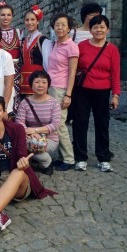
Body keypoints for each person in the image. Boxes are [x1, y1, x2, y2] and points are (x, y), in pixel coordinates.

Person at [0, 95, 56, 235]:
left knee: (19, 172)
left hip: (15, 181)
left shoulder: (16, 129)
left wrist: (23, 162)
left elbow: (21, 155)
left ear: (4, 112)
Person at [73, 15, 120, 173]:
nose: (99, 30)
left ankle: (103, 158)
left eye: (102, 27)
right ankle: (80, 158)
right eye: (95, 27)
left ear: (107, 29)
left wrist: (115, 95)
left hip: (102, 90)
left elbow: (116, 74)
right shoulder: (81, 46)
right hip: (82, 90)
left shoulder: (112, 49)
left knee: (102, 124)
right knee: (80, 123)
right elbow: (74, 68)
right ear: (90, 30)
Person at [47, 13, 79, 171]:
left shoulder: (71, 46)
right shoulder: (56, 44)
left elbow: (72, 73)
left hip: (61, 89)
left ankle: (69, 158)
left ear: (69, 28)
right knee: (55, 123)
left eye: (63, 25)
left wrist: (68, 94)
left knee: (60, 124)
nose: (60, 28)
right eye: (57, 25)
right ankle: (61, 157)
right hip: (51, 88)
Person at [16, 70, 61, 175]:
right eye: (37, 82)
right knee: (21, 143)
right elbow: (19, 121)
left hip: (50, 139)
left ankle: (46, 162)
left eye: (44, 82)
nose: (40, 85)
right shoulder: (25, 103)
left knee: (31, 146)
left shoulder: (54, 103)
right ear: (31, 84)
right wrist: (31, 133)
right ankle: (42, 160)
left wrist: (36, 130)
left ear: (48, 85)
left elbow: (55, 125)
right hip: (30, 136)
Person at [0, 2, 22, 110]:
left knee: (15, 99)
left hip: (16, 72)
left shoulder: (19, 33)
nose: (6, 17)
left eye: (8, 15)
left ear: (12, 16)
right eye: (3, 15)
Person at [19, 5, 46, 96]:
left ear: (38, 21)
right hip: (23, 81)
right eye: (27, 20)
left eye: (32, 20)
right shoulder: (23, 40)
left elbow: (47, 63)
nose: (29, 22)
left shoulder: (43, 40)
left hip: (38, 80)